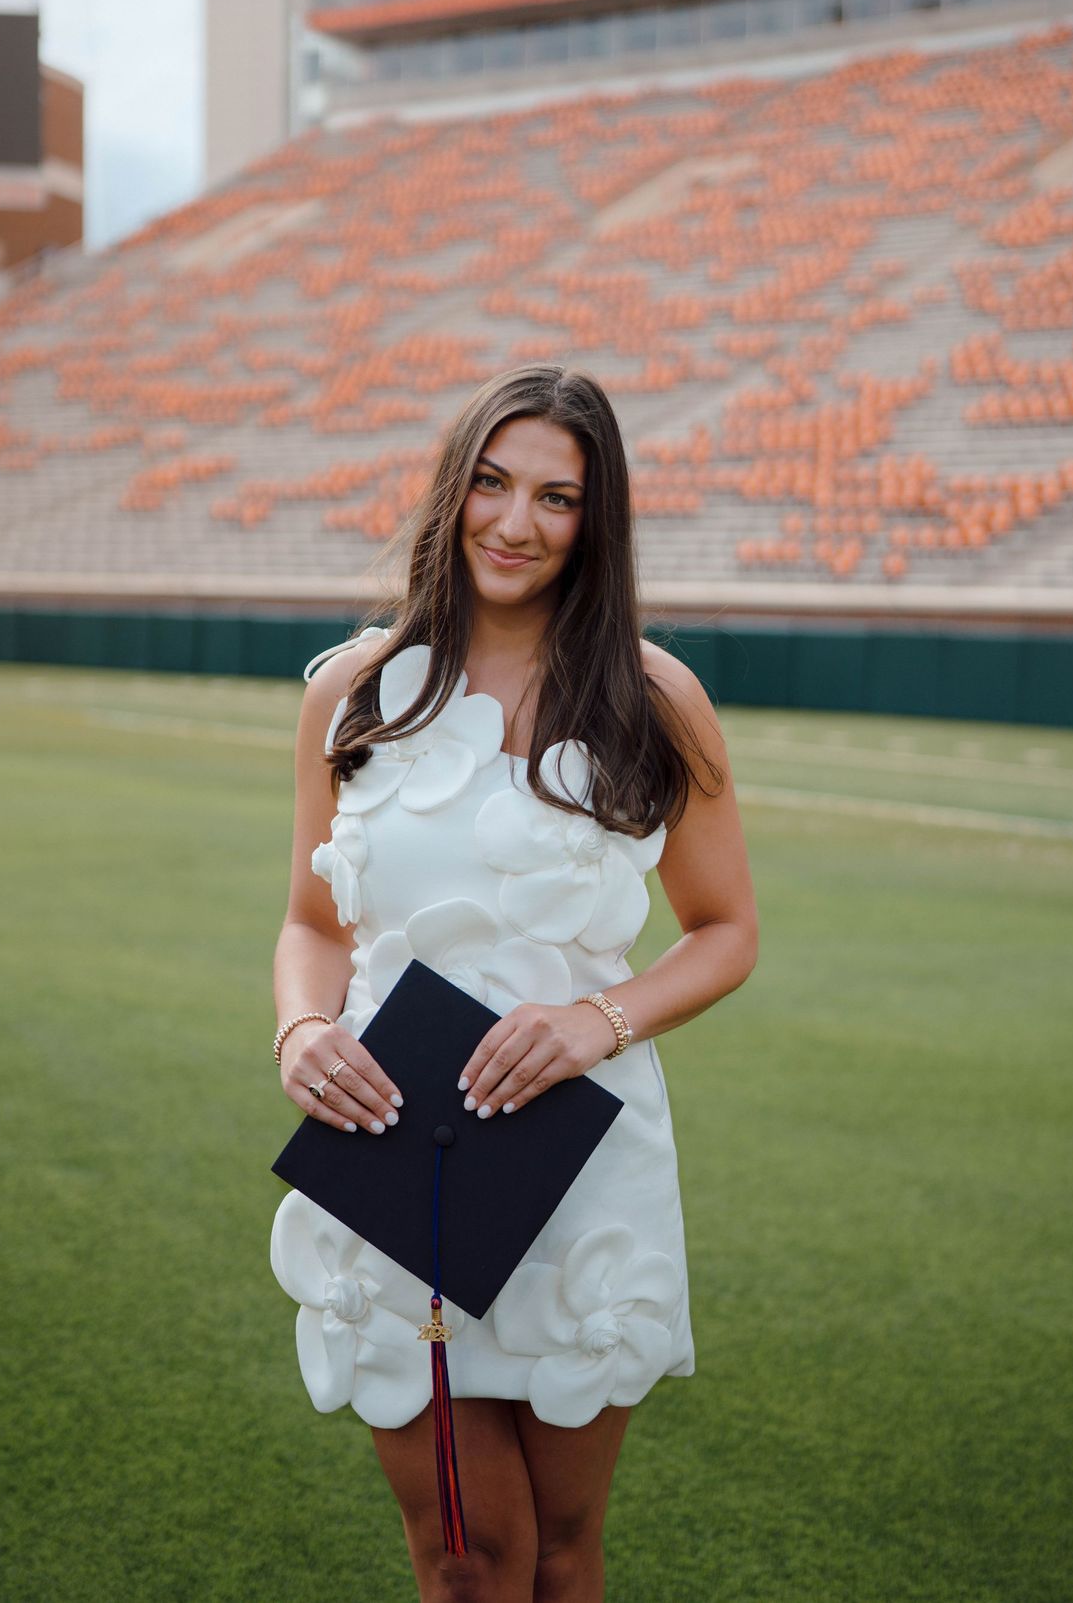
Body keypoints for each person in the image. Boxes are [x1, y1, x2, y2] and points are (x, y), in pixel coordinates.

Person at [269, 364, 759, 1602]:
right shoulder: (351, 692)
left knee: (558, 1553)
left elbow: (724, 930)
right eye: (491, 483)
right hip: (397, 1145)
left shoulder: (655, 699)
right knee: (461, 1557)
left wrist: (597, 1020)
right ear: (453, 490)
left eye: (556, 496)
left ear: (597, 522)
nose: (515, 522)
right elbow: (306, 922)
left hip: (581, 1166)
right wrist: (302, 1028)